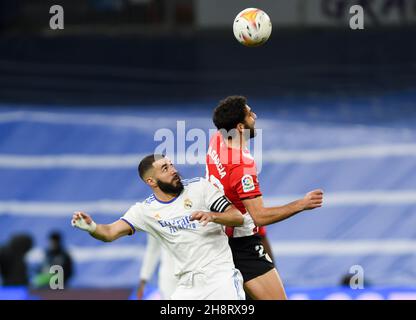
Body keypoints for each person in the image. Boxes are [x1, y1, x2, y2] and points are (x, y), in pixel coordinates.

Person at [72, 154, 245, 300]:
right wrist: (91, 227)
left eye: (171, 165)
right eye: (165, 169)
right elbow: (109, 232)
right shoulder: (144, 211)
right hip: (186, 286)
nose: (174, 171)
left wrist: (213, 216)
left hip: (220, 278)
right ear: (151, 181)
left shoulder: (200, 187)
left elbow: (237, 217)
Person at [206, 95, 324, 300]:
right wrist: (301, 204)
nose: (255, 116)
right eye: (250, 114)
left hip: (216, 238)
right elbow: (259, 216)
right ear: (240, 127)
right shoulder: (242, 165)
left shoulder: (217, 139)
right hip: (241, 245)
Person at [136, 234, 177, 300]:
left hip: (195, 277)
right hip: (169, 279)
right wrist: (143, 279)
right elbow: (153, 250)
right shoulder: (156, 223)